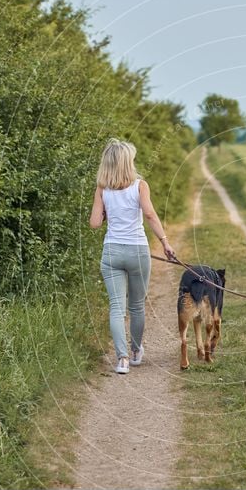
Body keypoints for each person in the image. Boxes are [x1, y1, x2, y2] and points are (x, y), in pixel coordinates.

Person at [90, 139, 176, 374]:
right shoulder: (140, 186)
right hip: (137, 251)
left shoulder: (102, 188)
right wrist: (165, 243)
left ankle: (122, 360)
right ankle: (136, 351)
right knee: (137, 305)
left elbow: (95, 224)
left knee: (116, 307)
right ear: (128, 162)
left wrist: (107, 211)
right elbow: (149, 214)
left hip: (112, 252)